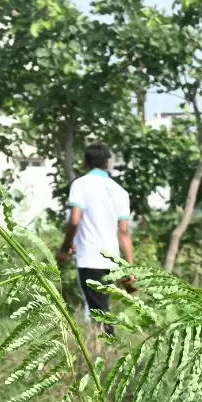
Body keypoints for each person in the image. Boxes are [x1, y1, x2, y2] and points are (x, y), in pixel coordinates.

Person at [57, 143, 133, 336]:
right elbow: (124, 231)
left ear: (84, 162)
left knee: (99, 314)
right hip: (112, 261)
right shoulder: (120, 191)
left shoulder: (80, 184)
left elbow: (74, 220)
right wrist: (130, 269)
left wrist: (65, 248)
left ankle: (107, 355)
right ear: (107, 163)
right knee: (101, 308)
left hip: (90, 258)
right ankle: (102, 354)